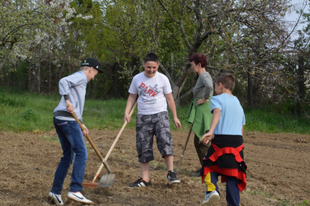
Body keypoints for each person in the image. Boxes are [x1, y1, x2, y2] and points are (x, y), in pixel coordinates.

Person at [48, 58, 102, 205]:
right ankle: (75, 190)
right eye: (95, 73)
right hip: (67, 119)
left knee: (68, 157)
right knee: (82, 152)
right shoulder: (81, 76)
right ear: (91, 69)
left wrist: (82, 124)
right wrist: (66, 101)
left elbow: (75, 106)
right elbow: (62, 81)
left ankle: (55, 191)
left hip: (61, 118)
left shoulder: (80, 81)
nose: (94, 76)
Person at [124, 52, 181, 187]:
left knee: (165, 140)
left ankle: (171, 172)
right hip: (143, 116)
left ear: (158, 66)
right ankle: (145, 179)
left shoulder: (163, 79)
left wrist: (175, 116)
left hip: (161, 114)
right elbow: (132, 96)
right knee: (143, 146)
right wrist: (127, 112)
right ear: (144, 65)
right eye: (148, 67)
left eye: (154, 68)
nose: (151, 70)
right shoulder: (137, 79)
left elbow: (170, 98)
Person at [199, 73, 247, 206]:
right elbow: (241, 125)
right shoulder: (238, 102)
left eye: (215, 86)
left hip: (222, 140)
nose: (215, 89)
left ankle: (212, 190)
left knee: (208, 165)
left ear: (220, 85)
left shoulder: (217, 99)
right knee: (232, 175)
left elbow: (217, 112)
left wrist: (211, 131)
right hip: (237, 142)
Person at [187, 53, 213, 177]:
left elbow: (209, 86)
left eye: (192, 65)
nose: (191, 67)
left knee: (202, 141)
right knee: (198, 140)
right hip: (201, 111)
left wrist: (205, 99)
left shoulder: (204, 75)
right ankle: (205, 167)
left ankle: (208, 170)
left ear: (199, 64)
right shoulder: (201, 76)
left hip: (204, 112)